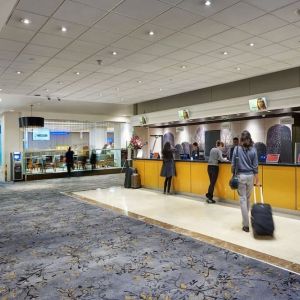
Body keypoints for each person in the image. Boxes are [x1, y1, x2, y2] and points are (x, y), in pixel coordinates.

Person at [231, 130, 259, 233]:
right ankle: (246, 220)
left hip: (240, 176)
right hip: (250, 176)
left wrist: (232, 174)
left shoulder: (237, 149)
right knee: (247, 199)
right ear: (250, 139)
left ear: (241, 140)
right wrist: (258, 180)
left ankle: (246, 225)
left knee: (242, 200)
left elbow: (233, 164)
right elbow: (255, 166)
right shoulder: (254, 150)